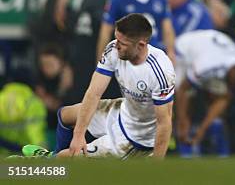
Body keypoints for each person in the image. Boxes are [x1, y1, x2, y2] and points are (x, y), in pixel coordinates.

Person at [22, 13, 175, 159]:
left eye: (123, 43)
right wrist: (79, 134)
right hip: (122, 112)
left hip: (135, 138)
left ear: (141, 45)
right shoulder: (113, 49)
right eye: (116, 39)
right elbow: (94, 92)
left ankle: (52, 162)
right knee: (65, 114)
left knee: (71, 156)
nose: (117, 46)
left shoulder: (160, 71)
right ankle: (55, 158)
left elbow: (164, 123)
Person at [175, 29, 235, 156]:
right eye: (232, 85)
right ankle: (180, 142)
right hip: (184, 50)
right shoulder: (208, 65)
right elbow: (184, 90)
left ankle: (205, 137)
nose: (231, 89)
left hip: (212, 50)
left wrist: (203, 129)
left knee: (221, 96)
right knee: (177, 93)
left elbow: (225, 97)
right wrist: (183, 120)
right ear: (233, 74)